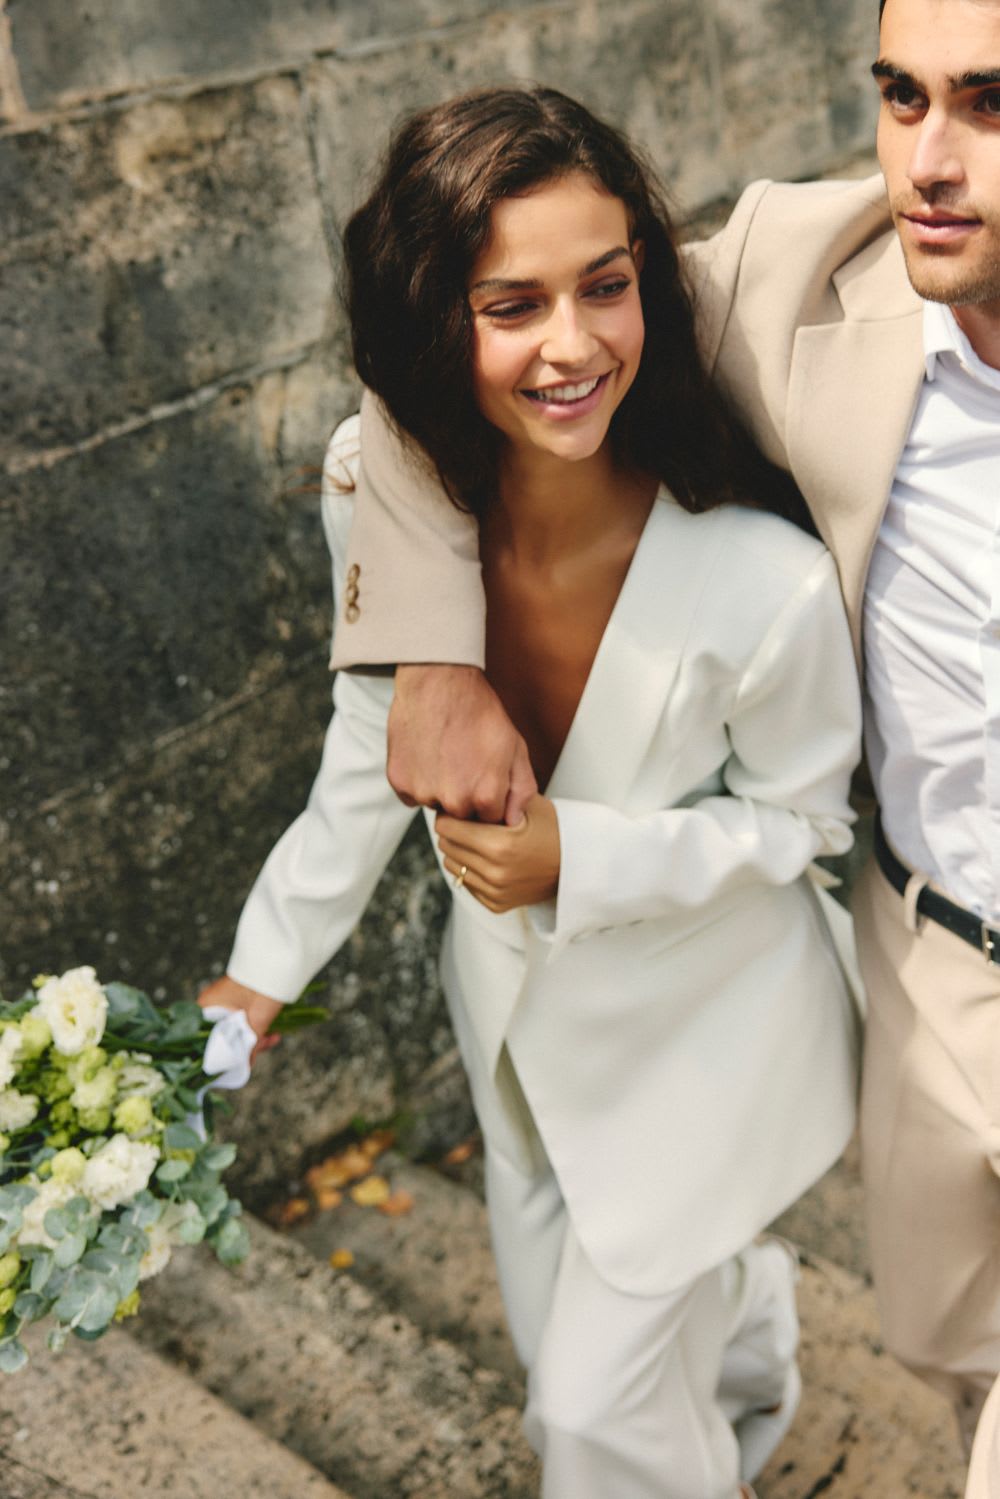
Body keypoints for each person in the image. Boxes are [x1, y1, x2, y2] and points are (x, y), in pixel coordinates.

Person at [328, 0, 1000, 1486]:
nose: (928, 161)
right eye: (902, 95)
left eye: (992, 104)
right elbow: (444, 327)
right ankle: (750, 1340)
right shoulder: (807, 272)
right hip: (936, 966)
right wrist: (427, 644)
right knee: (953, 1353)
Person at [201, 87, 863, 1499]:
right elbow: (366, 749)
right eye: (511, 305)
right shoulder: (360, 488)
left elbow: (807, 827)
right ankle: (740, 1315)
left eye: (606, 287)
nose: (573, 346)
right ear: (439, 324)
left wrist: (589, 853)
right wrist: (260, 975)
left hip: (702, 1047)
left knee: (584, 1421)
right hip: (509, 1030)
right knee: (567, 1320)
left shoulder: (766, 580)